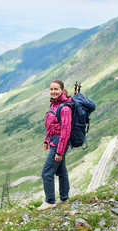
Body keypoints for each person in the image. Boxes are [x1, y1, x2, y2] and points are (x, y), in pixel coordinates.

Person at [37, 79, 72, 211]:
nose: (53, 92)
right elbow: (52, 125)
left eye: (56, 89)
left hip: (59, 143)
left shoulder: (65, 108)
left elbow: (65, 131)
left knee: (47, 172)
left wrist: (59, 151)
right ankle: (64, 198)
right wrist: (47, 140)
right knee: (61, 171)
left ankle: (50, 201)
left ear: (62, 90)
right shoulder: (54, 104)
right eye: (51, 89)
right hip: (54, 141)